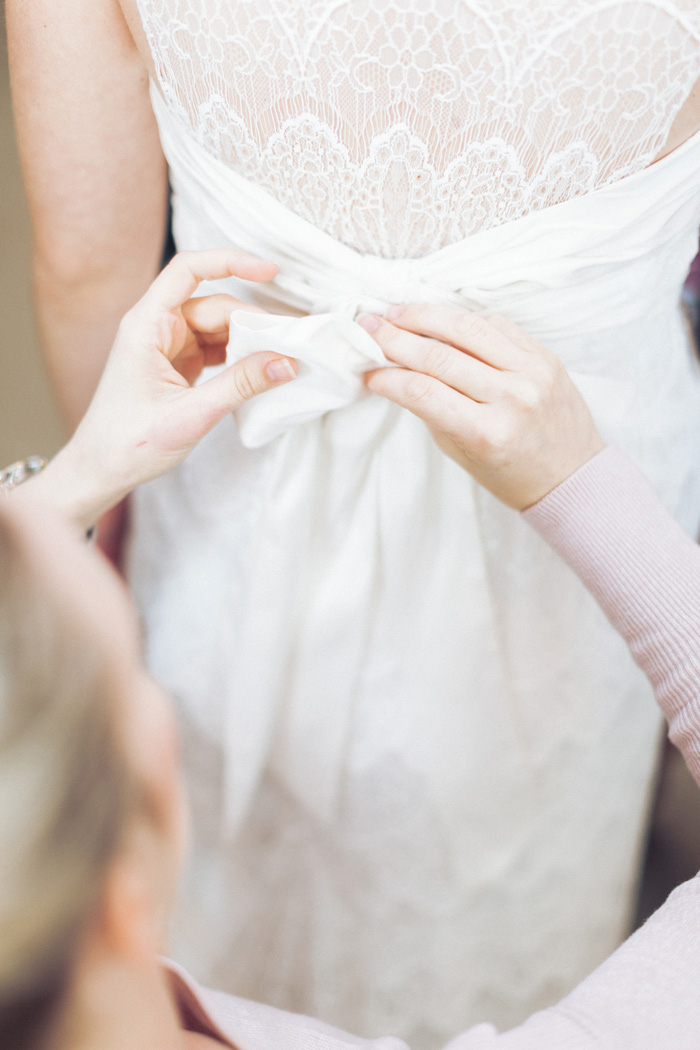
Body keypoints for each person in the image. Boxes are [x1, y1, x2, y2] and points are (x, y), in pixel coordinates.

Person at [7, 2, 700, 1037]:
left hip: (232, 470)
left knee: (219, 835)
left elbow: (84, 268)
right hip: (576, 502)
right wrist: (583, 486)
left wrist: (77, 493)